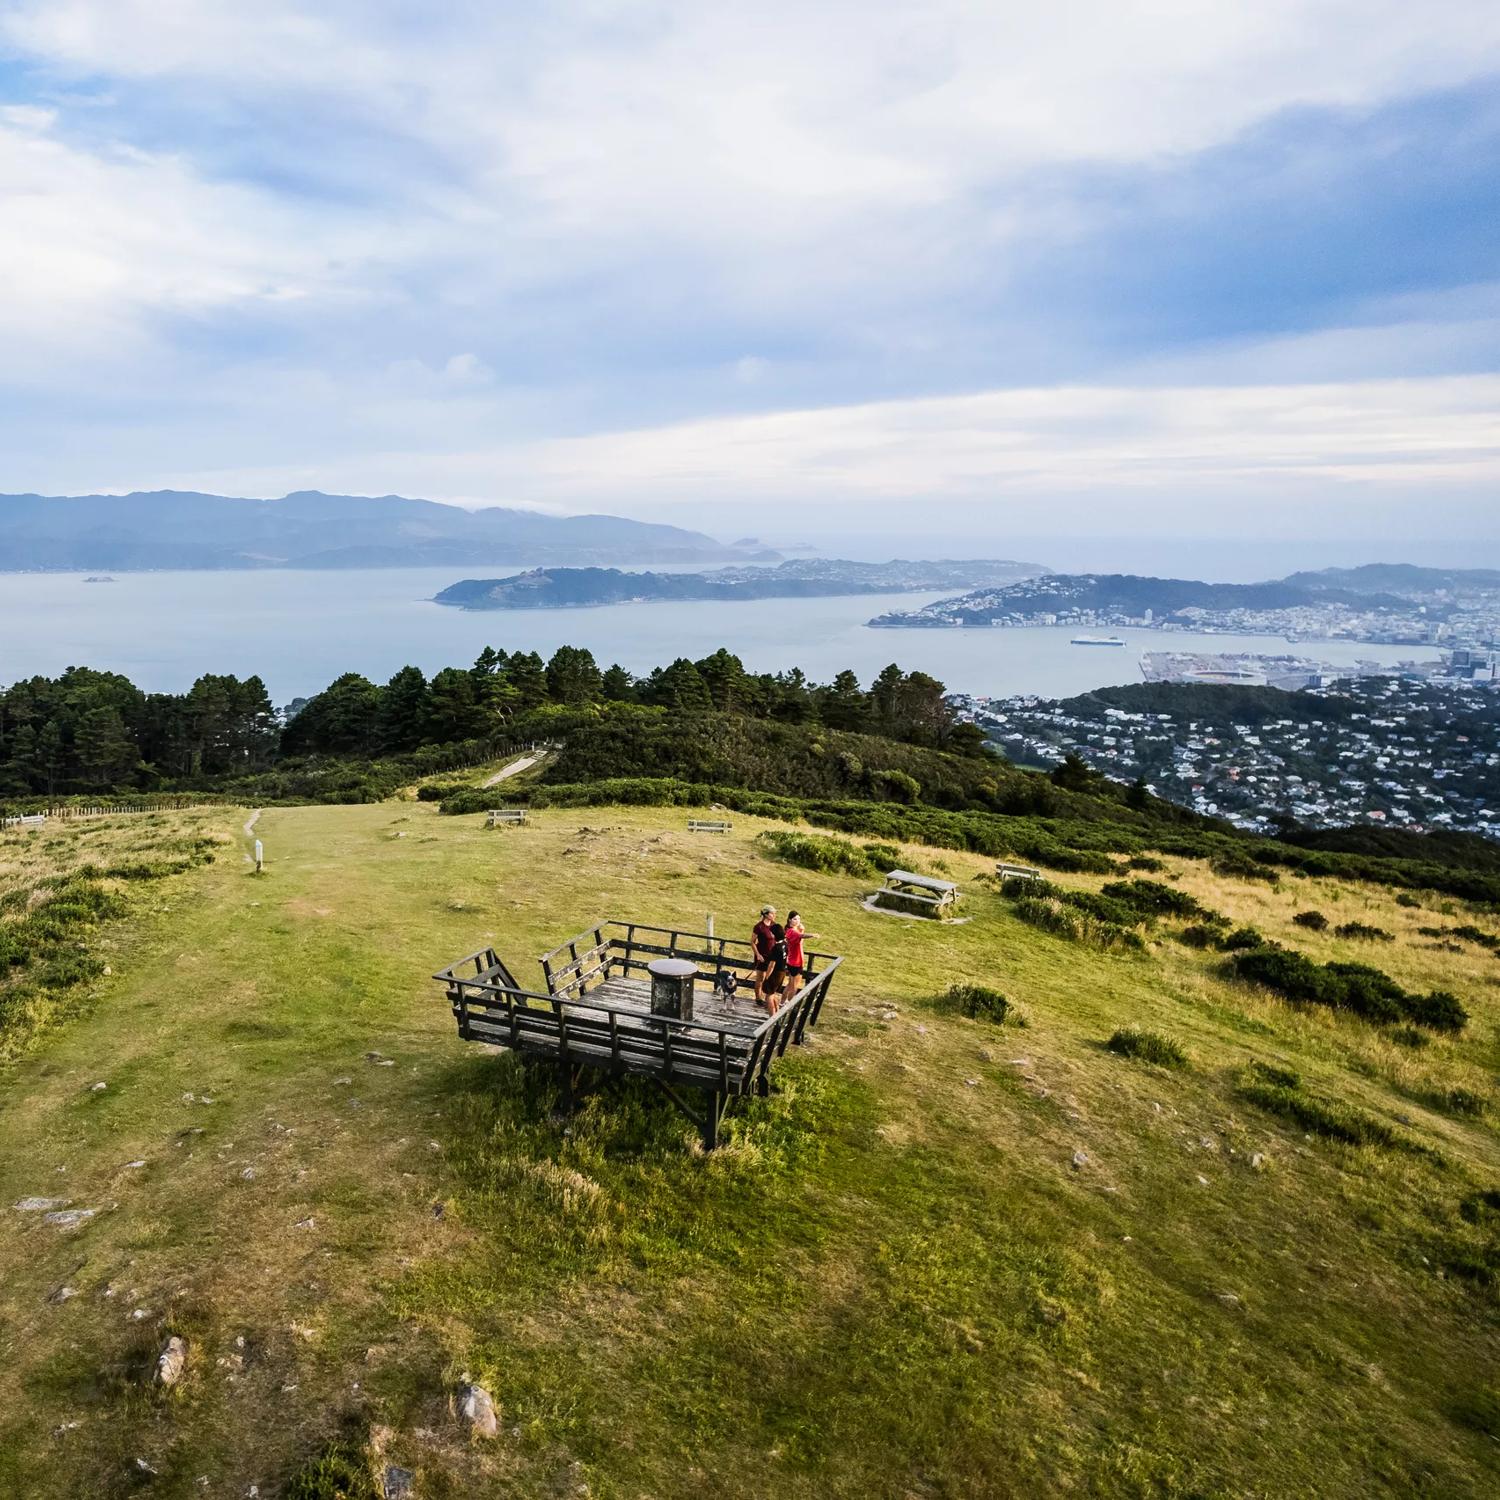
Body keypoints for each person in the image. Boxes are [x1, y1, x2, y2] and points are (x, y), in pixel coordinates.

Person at [783, 910, 819, 1003]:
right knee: (794, 985)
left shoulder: (791, 931)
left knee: (790, 984)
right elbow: (801, 936)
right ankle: (789, 1005)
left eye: (799, 918)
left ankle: (782, 1002)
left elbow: (800, 942)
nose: (797, 921)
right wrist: (812, 935)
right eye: (795, 919)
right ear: (789, 920)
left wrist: (802, 930)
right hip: (795, 962)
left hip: (793, 961)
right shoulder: (792, 932)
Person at [751, 904, 777, 1005]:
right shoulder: (759, 927)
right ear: (766, 914)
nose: (774, 915)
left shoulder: (774, 925)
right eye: (772, 913)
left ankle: (767, 997)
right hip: (762, 955)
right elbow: (752, 942)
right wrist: (757, 954)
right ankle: (758, 998)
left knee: (770, 977)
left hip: (772, 956)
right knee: (760, 978)